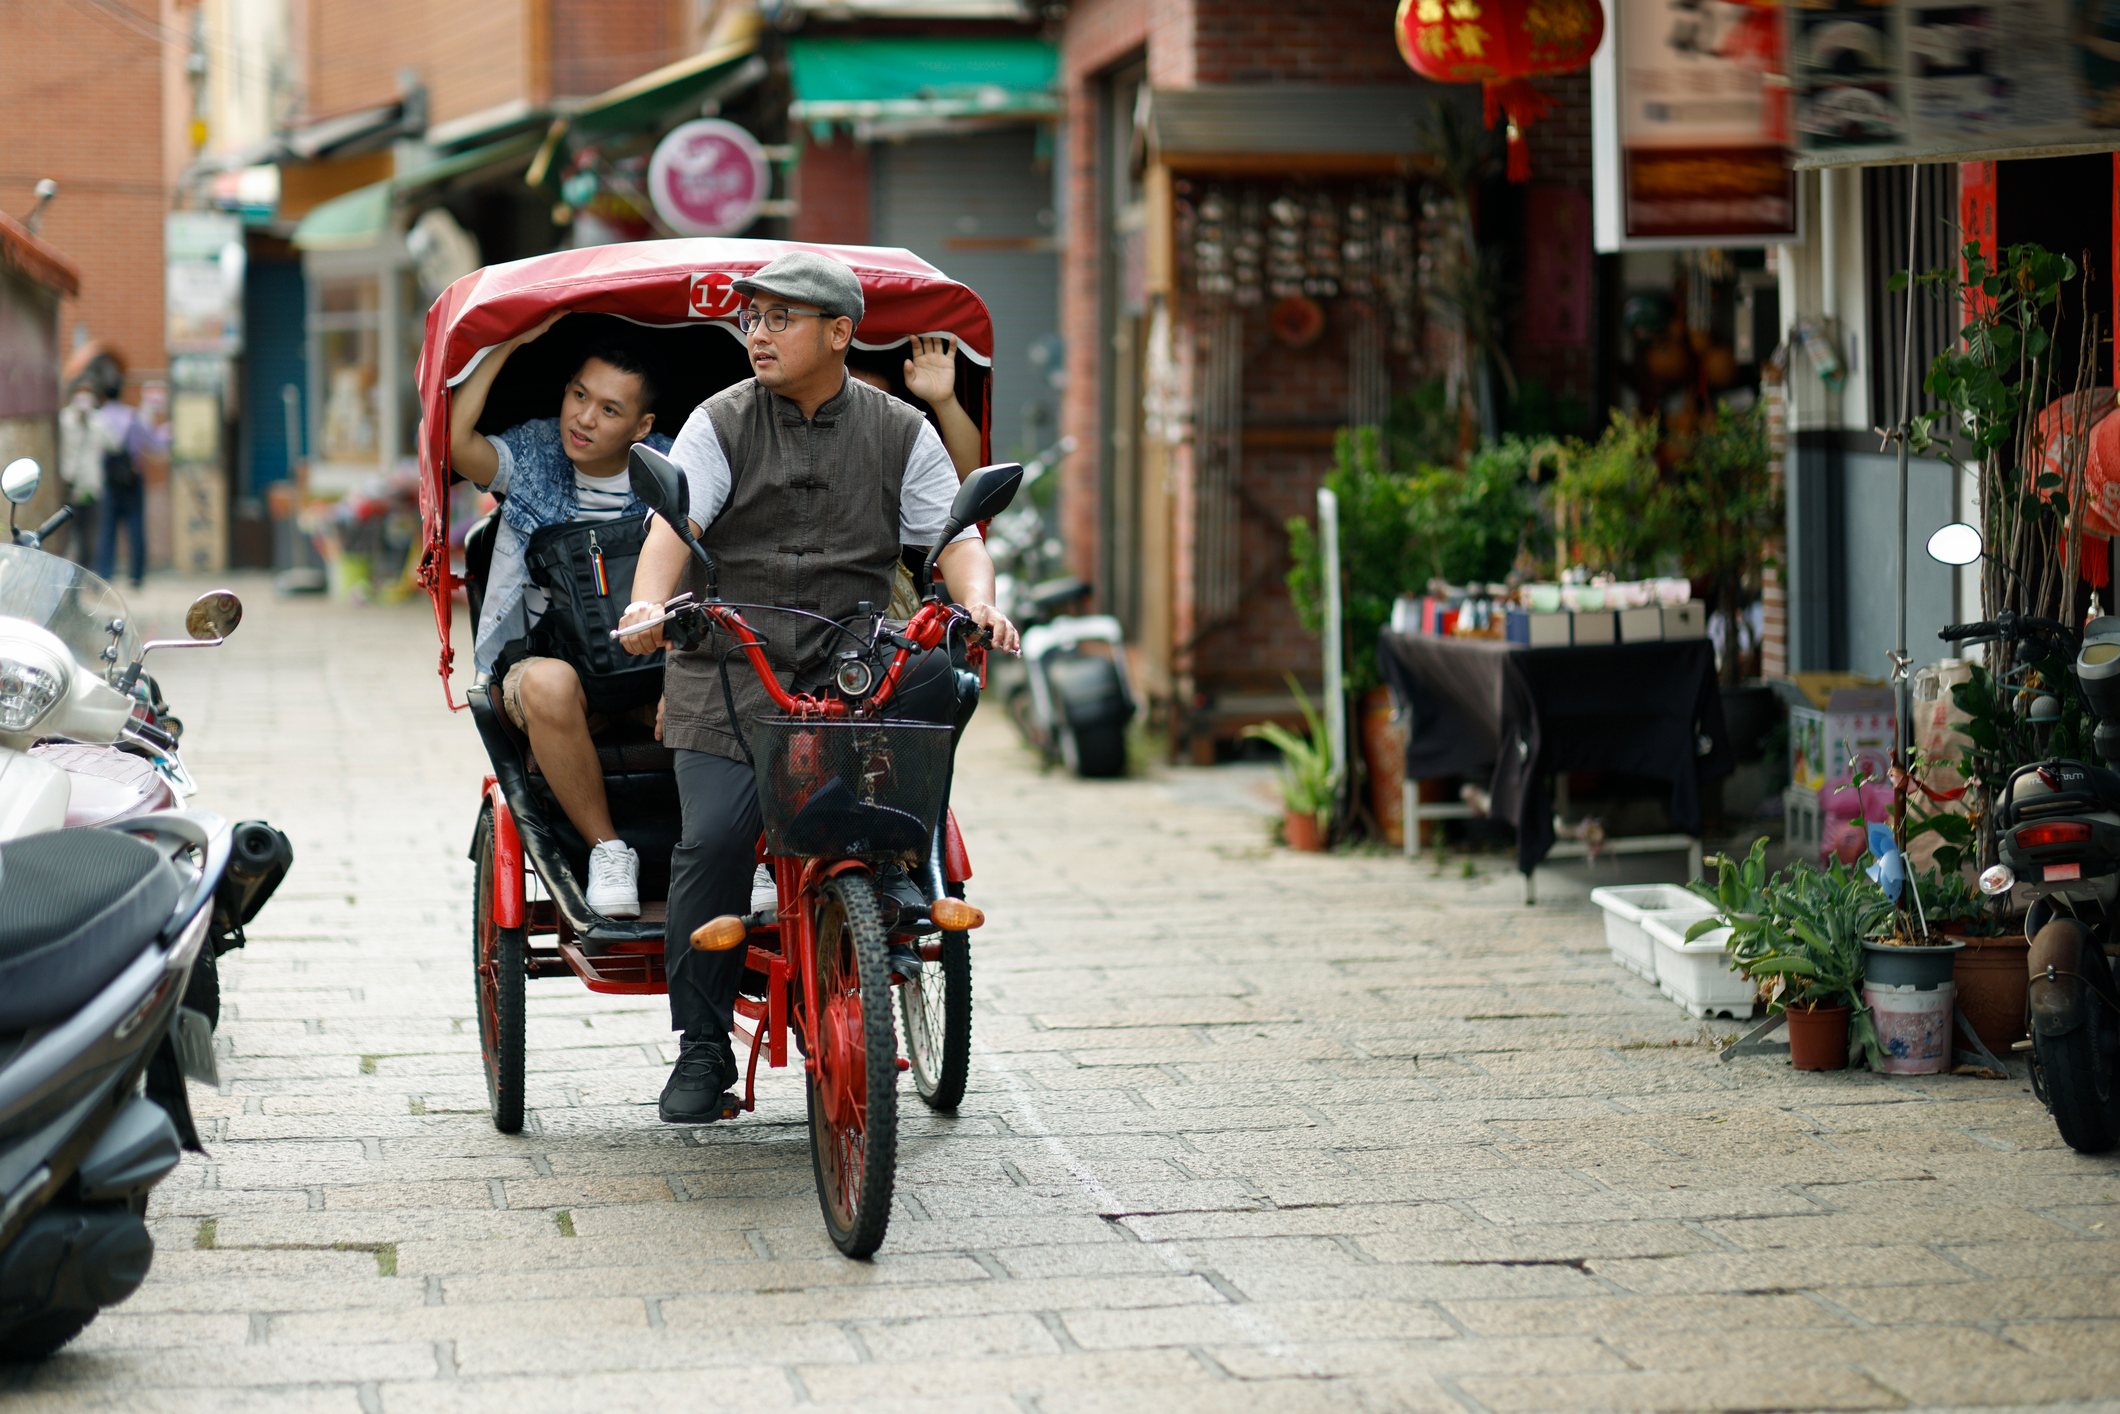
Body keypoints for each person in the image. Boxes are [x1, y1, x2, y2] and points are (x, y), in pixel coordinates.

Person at [617, 251, 1020, 1124]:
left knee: (946, 676)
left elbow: (951, 538)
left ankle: (903, 866)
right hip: (734, 665)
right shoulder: (717, 422)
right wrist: (651, 602)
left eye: (778, 319)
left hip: (852, 660)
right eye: (750, 320)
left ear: (840, 333)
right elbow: (672, 524)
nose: (756, 335)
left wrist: (981, 604)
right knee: (716, 841)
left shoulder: (901, 429)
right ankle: (701, 1046)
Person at [449, 316, 673, 920]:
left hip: (654, 663)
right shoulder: (537, 451)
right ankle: (607, 851)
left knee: (732, 668)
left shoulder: (676, 467)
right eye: (579, 395)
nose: (583, 419)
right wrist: (508, 343)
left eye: (608, 409)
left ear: (642, 427)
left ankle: (741, 853)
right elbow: (455, 444)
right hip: (557, 666)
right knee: (549, 682)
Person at [849, 336, 982, 617]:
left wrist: (943, 400)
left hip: (890, 627)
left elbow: (965, 481)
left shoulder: (906, 453)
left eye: (875, 410)